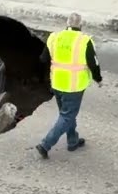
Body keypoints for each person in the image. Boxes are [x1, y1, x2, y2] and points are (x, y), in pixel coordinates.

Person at [36, 13, 102, 159]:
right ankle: (45, 144)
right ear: (81, 25)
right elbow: (93, 64)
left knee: (66, 114)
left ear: (66, 24)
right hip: (74, 87)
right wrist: (98, 79)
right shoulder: (84, 41)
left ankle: (73, 140)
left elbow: (43, 59)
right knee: (67, 116)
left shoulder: (54, 38)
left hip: (57, 84)